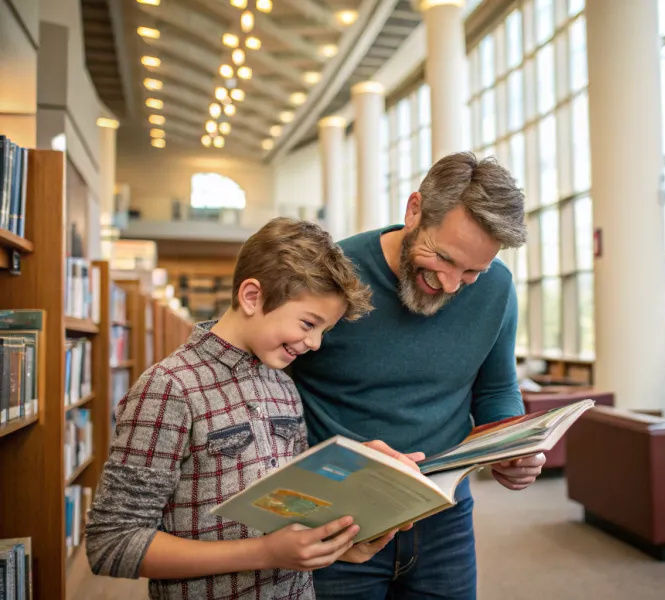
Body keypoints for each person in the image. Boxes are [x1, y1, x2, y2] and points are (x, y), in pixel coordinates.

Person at [85, 218, 423, 600]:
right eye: (308, 323)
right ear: (251, 296)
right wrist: (264, 553)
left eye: (323, 331)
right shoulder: (168, 388)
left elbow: (289, 512)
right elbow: (111, 543)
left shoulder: (283, 386)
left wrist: (337, 540)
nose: (314, 343)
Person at [290, 152, 547, 600]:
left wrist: (511, 444)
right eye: (444, 258)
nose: (450, 285)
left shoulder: (497, 288)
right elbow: (271, 389)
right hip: (336, 512)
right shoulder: (333, 274)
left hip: (442, 512)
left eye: (471, 271)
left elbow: (497, 387)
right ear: (414, 210)